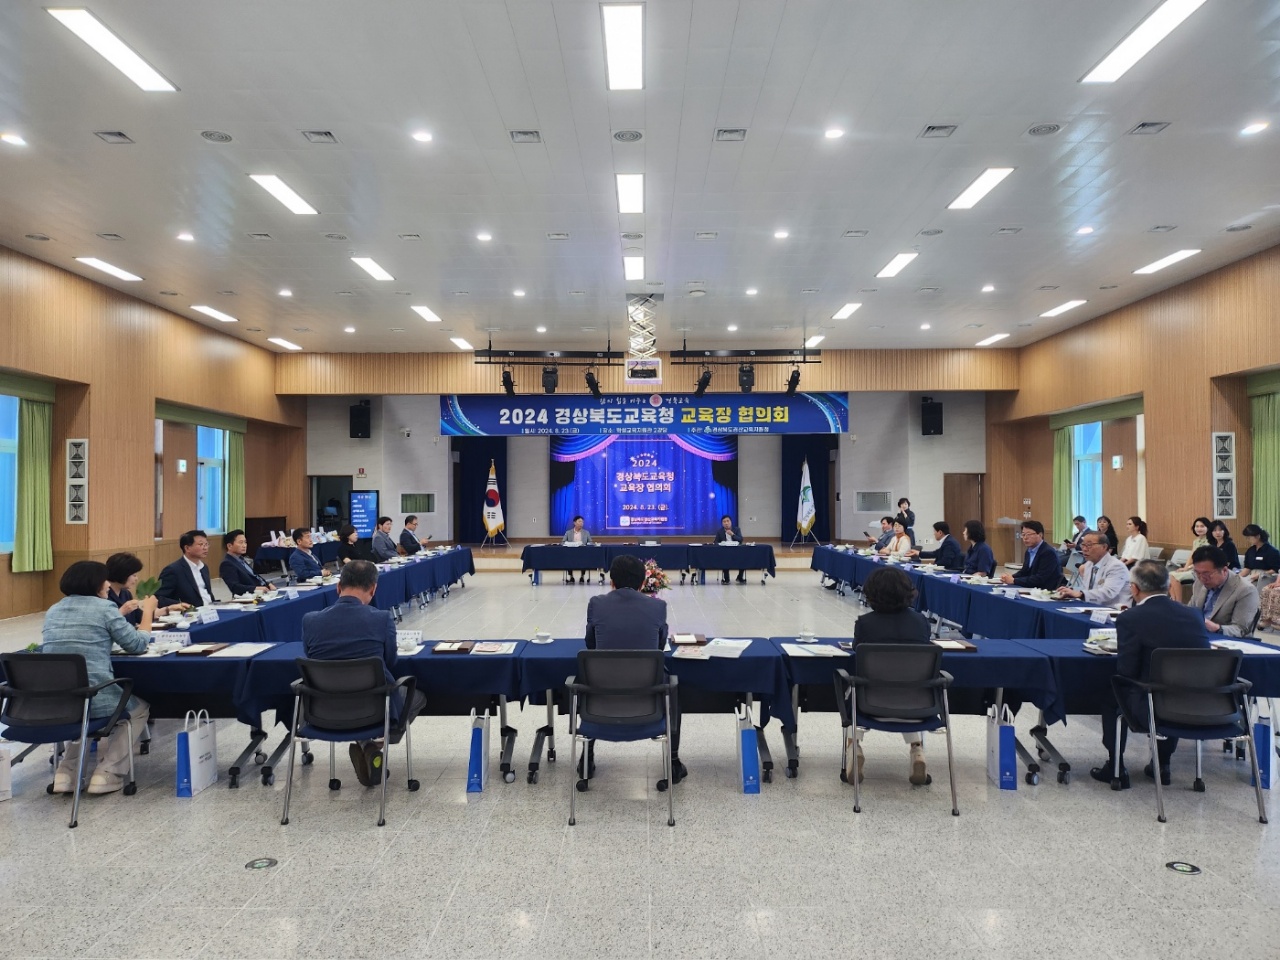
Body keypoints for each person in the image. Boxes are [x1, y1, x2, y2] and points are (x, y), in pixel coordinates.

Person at [301, 560, 426, 786]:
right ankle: (375, 744)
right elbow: (390, 662)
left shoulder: (310, 620)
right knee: (415, 696)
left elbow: (311, 657)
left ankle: (366, 744)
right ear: (373, 589)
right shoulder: (381, 619)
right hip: (373, 711)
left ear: (338, 587)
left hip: (322, 711)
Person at [40, 560, 156, 795]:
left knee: (81, 713)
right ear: (95, 583)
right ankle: (108, 773)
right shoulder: (105, 608)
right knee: (139, 709)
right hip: (95, 696)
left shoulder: (54, 609)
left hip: (58, 699)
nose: (108, 585)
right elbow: (136, 644)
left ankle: (66, 772)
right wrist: (148, 612)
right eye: (104, 580)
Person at [1090, 560, 1209, 788]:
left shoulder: (1130, 618)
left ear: (1134, 589)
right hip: (1197, 703)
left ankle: (1116, 767)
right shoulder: (1194, 615)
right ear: (1168, 586)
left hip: (1151, 708)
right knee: (1174, 687)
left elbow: (1126, 670)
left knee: (1112, 694)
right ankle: (1163, 764)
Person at [584, 554, 685, 786]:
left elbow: (591, 644)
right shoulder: (658, 606)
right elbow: (659, 646)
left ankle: (586, 756)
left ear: (612, 582)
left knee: (585, 678)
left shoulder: (596, 603)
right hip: (648, 697)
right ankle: (673, 760)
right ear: (642, 583)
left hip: (602, 697)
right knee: (674, 687)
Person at [851, 566, 933, 786]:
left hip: (871, 704)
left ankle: (854, 748)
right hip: (919, 705)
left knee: (850, 686)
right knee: (907, 683)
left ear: (872, 593)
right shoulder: (921, 622)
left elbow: (857, 653)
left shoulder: (866, 624)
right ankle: (917, 750)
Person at [1188, 545, 1260, 637]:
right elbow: (1190, 612)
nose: (1202, 578)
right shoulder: (1199, 582)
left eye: (1207, 574)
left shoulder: (1245, 590)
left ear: (1224, 570)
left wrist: (1216, 628)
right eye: (1197, 573)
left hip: (1226, 640)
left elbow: (1241, 629)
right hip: (1199, 635)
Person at [106, 552, 187, 625]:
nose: (136, 578)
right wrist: (122, 611)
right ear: (122, 574)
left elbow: (140, 617)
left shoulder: (125, 593)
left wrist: (169, 609)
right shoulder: (104, 596)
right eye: (134, 575)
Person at [1056, 532, 1130, 607]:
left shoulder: (1116, 566)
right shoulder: (1089, 564)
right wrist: (1071, 590)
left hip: (1113, 610)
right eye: (1083, 545)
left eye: (1089, 545)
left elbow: (1108, 592)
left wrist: (1080, 594)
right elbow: (1089, 589)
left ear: (1104, 547)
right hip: (1092, 608)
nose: (1084, 549)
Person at [157, 530, 215, 608]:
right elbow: (159, 598)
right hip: (191, 612)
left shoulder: (204, 567)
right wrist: (182, 606)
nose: (205, 548)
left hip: (211, 610)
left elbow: (207, 593)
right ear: (187, 548)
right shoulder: (173, 570)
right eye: (201, 544)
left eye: (206, 544)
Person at [999, 521, 1062, 589]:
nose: (1025, 538)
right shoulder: (1029, 551)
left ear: (1040, 535)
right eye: (1023, 535)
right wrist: (1010, 577)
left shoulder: (1048, 552)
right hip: (1032, 587)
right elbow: (1024, 572)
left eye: (1029, 534)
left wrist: (1014, 581)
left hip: (1045, 590)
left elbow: (1040, 578)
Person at [219, 529, 271, 596]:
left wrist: (268, 584)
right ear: (229, 546)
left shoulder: (241, 559)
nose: (244, 545)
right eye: (241, 542)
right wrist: (255, 588)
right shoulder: (227, 564)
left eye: (245, 542)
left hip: (263, 592)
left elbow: (254, 576)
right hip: (249, 596)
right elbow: (235, 587)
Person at [714, 514, 746, 584]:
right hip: (725, 552)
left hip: (736, 551)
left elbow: (740, 540)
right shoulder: (720, 531)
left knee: (743, 559)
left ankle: (740, 577)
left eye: (728, 521)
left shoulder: (736, 529)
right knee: (724, 560)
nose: (726, 523)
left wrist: (732, 535)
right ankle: (726, 579)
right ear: (722, 523)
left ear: (731, 522)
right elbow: (715, 542)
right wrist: (722, 543)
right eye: (724, 522)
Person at [562, 515, 594, 584]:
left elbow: (590, 542)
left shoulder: (586, 532)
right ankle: (571, 577)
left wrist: (587, 544)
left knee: (584, 559)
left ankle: (582, 576)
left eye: (582, 522)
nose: (581, 523)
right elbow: (563, 542)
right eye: (579, 521)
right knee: (568, 559)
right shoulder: (568, 532)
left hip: (583, 553)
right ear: (574, 523)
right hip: (571, 553)